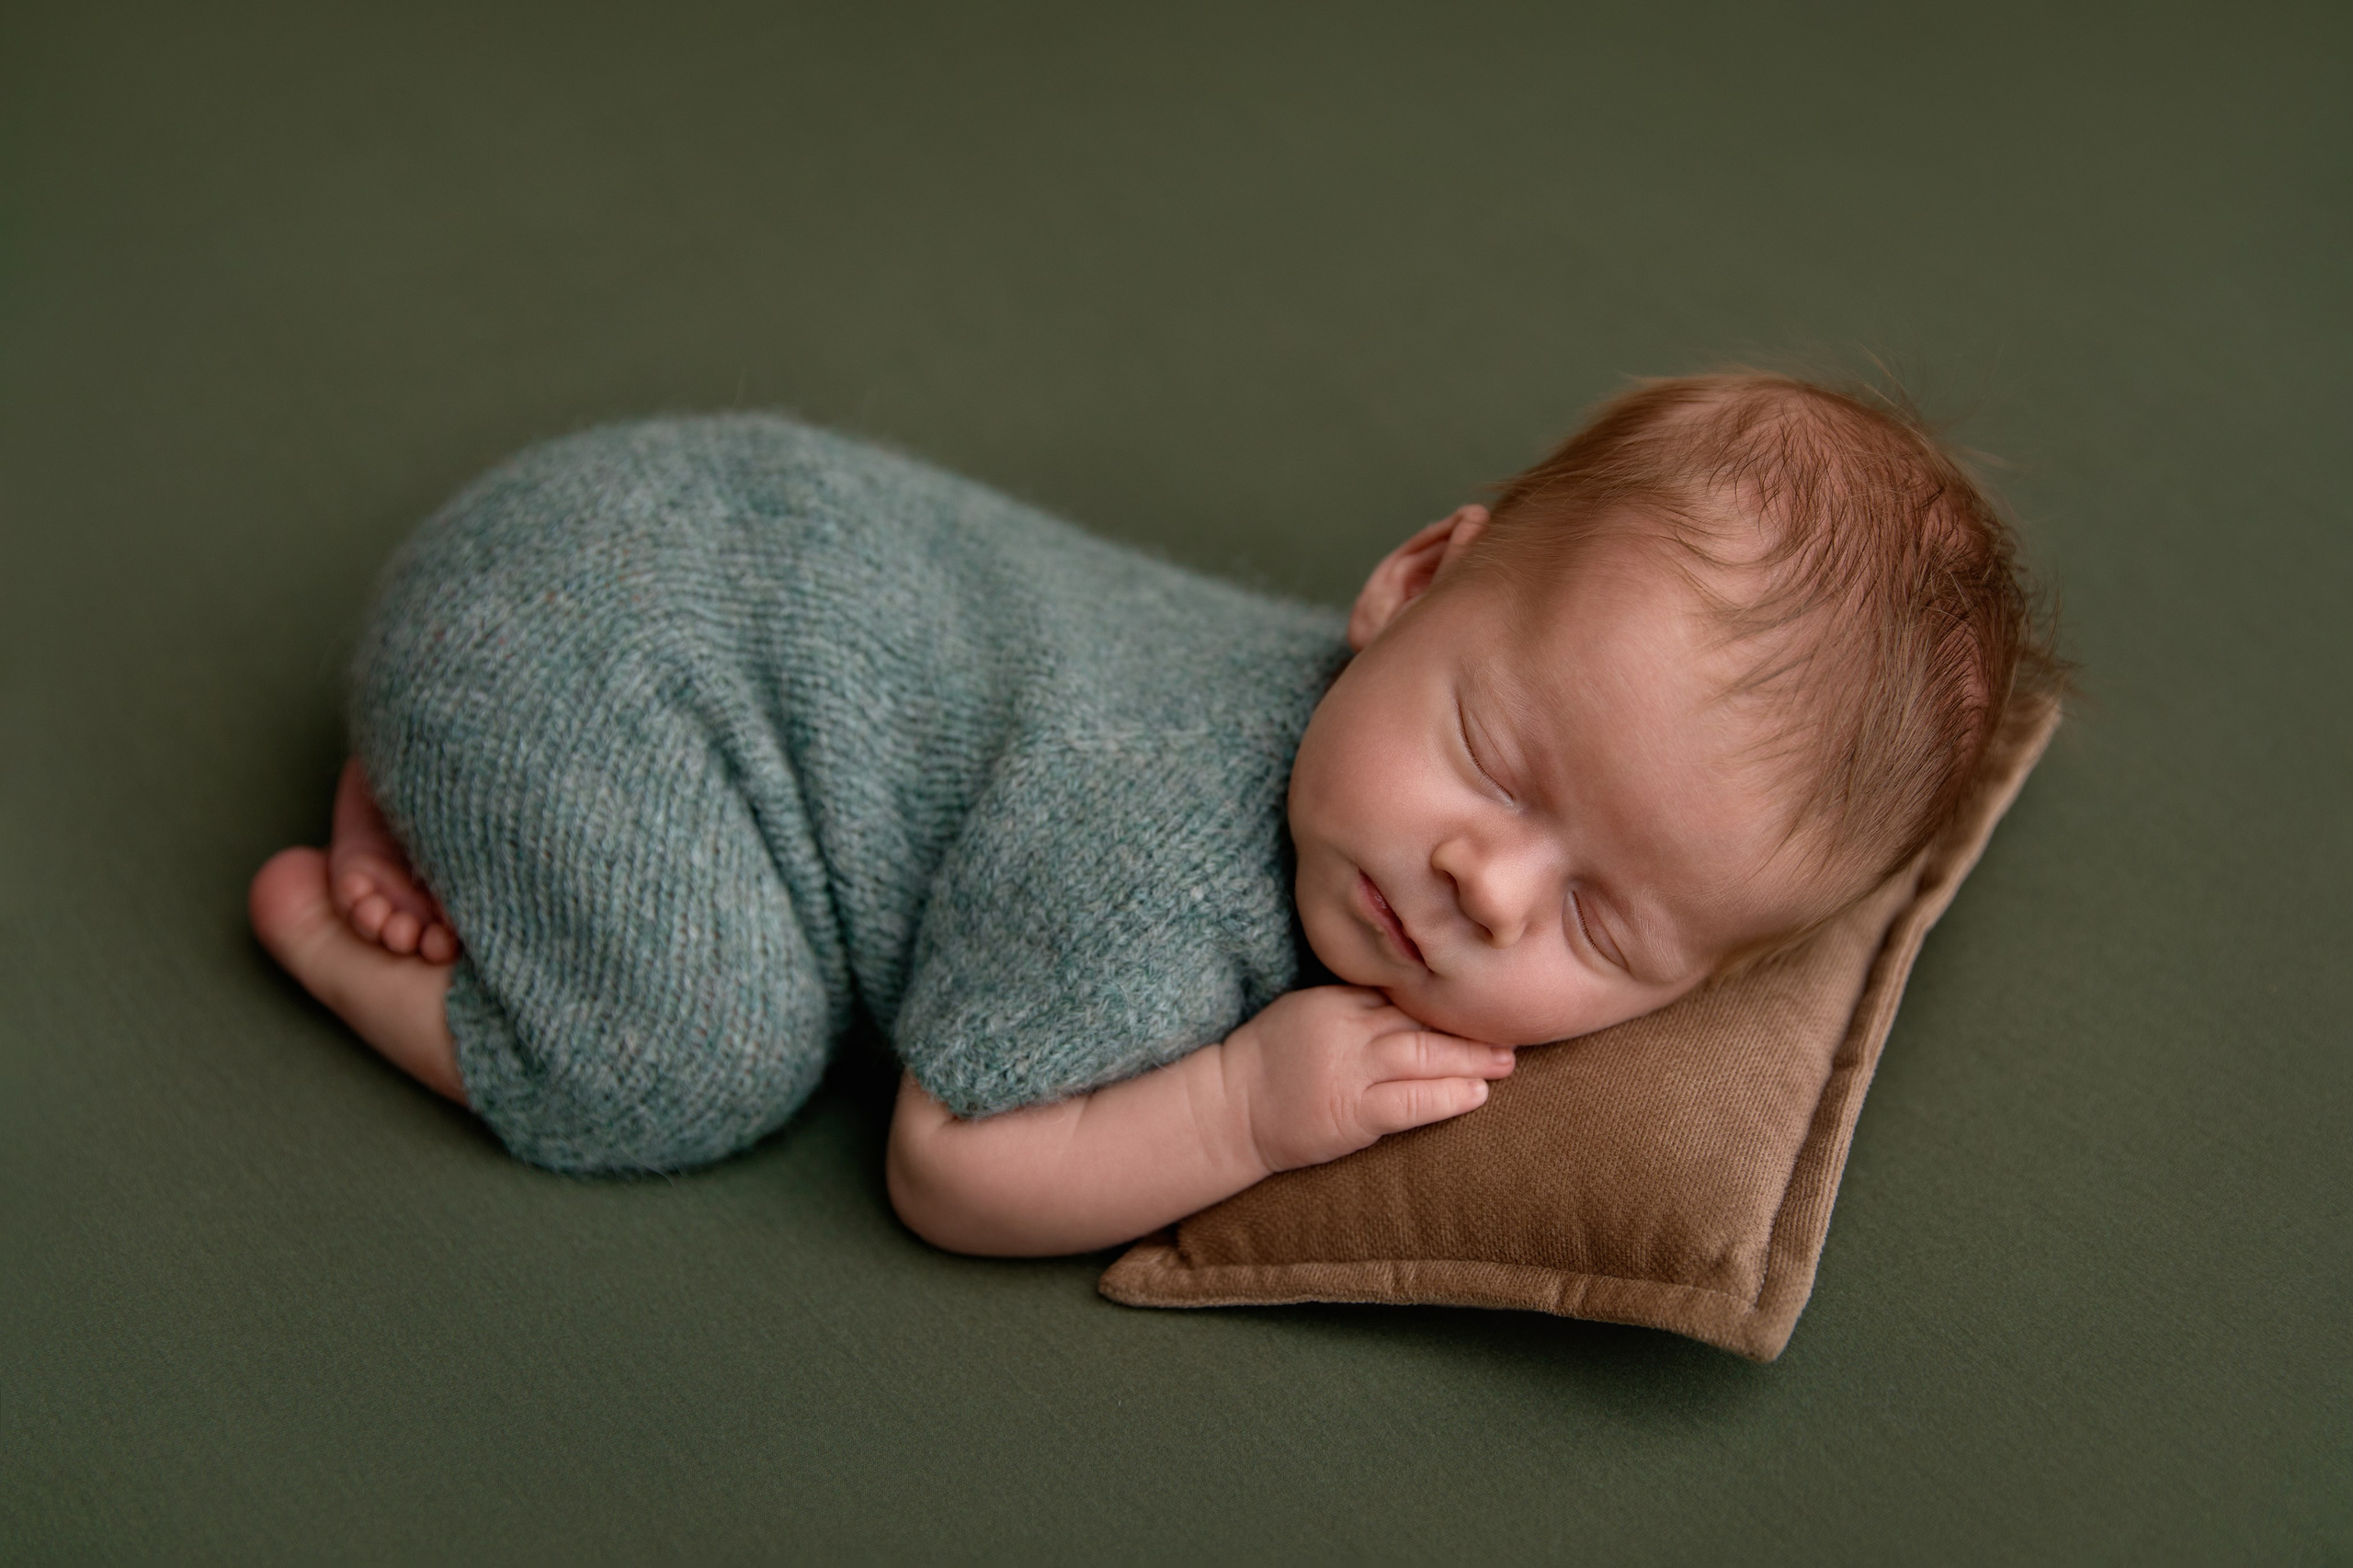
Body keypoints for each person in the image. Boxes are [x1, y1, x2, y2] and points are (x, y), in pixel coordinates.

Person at [248, 371, 2058, 1256]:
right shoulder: (1155, 885)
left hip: (637, 539)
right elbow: (944, 1167)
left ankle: (462, 798)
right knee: (696, 1064)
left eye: (1601, 927)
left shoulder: (1362, 715)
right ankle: (359, 925)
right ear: (1414, 580)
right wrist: (1240, 1104)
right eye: (1494, 764)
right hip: (582, 637)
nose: (1485, 883)